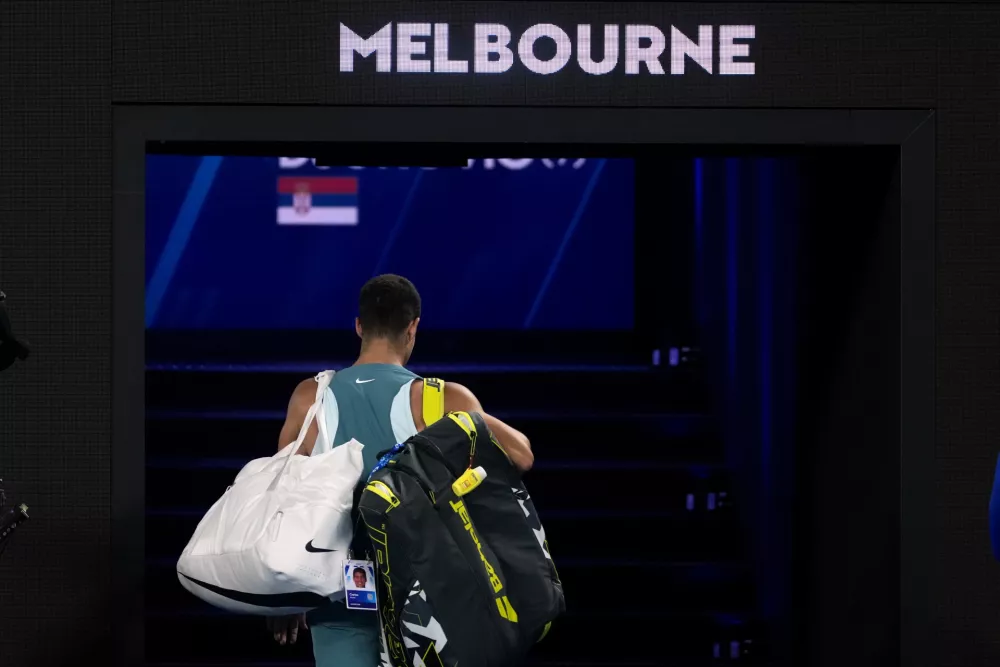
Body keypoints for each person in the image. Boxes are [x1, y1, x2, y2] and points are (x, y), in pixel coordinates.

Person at [265, 274, 534, 666]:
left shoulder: (311, 398)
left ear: (358, 326)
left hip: (339, 593)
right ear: (413, 327)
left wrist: (283, 596)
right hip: (426, 602)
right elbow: (521, 455)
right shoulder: (442, 398)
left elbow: (285, 500)